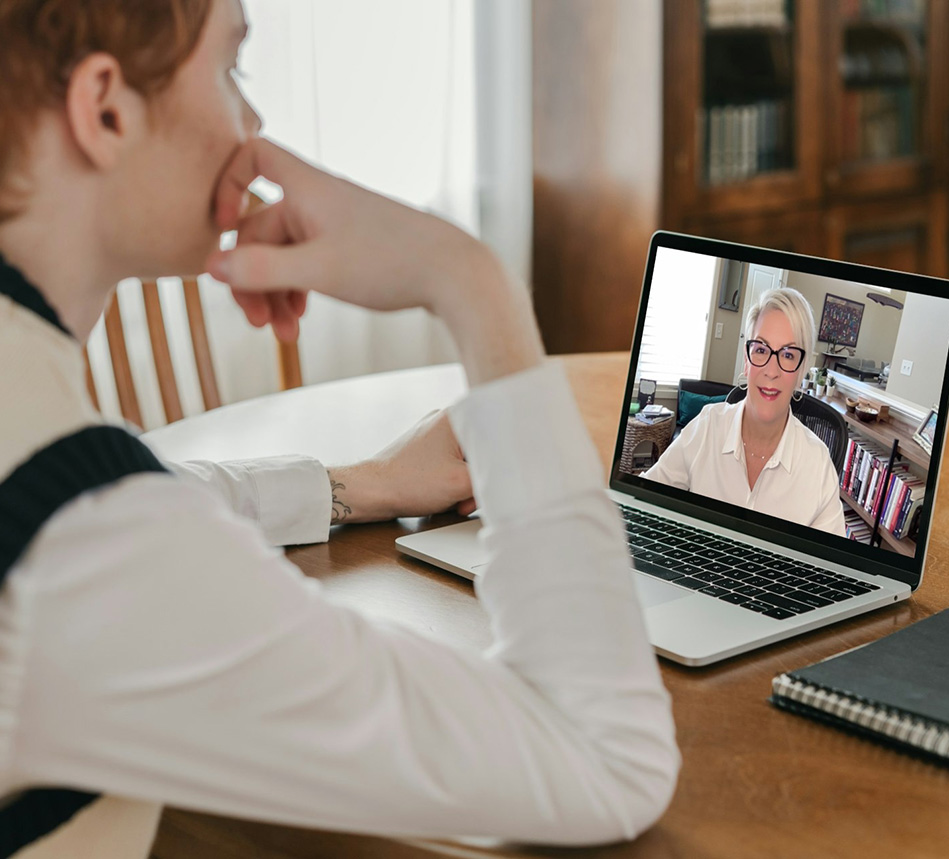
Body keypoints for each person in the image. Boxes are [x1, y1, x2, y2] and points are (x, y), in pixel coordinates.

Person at [0, 1, 679, 855]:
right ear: (105, 109)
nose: (252, 123)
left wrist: (358, 485)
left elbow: (120, 504)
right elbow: (607, 758)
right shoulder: (81, 552)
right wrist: (470, 281)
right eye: (231, 69)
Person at [643, 288, 846, 536]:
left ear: (801, 370)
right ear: (746, 360)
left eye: (788, 355)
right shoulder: (707, 427)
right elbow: (645, 501)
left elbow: (829, 568)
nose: (772, 371)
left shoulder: (818, 464)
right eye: (761, 350)